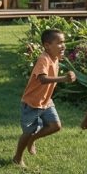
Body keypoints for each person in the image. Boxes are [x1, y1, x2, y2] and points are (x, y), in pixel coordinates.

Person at [12, 28, 76, 166]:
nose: (63, 45)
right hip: (32, 103)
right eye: (59, 43)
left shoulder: (55, 58)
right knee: (27, 132)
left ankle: (32, 139)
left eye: (64, 42)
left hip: (46, 101)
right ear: (47, 45)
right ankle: (17, 157)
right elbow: (43, 79)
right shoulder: (44, 59)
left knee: (55, 126)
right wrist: (64, 79)